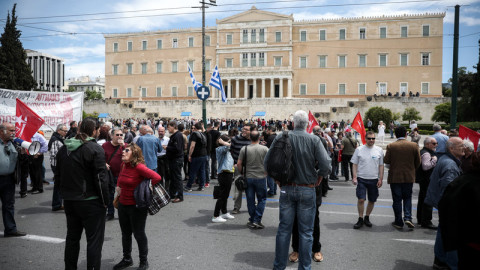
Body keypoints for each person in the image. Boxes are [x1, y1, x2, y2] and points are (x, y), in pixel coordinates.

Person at [267, 110, 331, 270]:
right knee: (306, 233)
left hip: (287, 188)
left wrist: (276, 179)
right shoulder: (314, 140)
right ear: (308, 124)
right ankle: (305, 267)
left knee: (283, 230)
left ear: (293, 123)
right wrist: (320, 176)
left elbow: (267, 161)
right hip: (307, 188)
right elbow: (326, 165)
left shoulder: (281, 137)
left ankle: (279, 266)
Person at [55, 117, 109, 270]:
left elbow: (58, 175)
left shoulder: (64, 148)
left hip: (70, 200)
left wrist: (63, 194)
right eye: (97, 130)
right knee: (94, 241)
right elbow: (100, 179)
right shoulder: (94, 148)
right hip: (90, 201)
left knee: (72, 238)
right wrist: (106, 201)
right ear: (94, 131)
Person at [113, 143, 161, 270]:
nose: (123, 152)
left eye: (126, 151)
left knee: (139, 234)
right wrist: (118, 186)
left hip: (136, 207)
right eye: (123, 150)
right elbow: (120, 177)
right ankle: (127, 259)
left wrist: (145, 187)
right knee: (125, 234)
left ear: (134, 154)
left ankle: (143, 261)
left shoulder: (139, 167)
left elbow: (157, 177)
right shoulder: (124, 165)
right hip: (123, 205)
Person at [289, 125, 328, 264]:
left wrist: (321, 176)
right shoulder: (289, 139)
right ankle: (297, 249)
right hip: (293, 185)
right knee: (295, 219)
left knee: (314, 220)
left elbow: (326, 162)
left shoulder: (318, 141)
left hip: (311, 185)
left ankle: (316, 249)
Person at [425, 137, 464, 270]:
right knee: (451, 235)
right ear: (451, 148)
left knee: (443, 231)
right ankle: (450, 264)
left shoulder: (446, 160)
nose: (464, 147)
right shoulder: (450, 164)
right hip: (448, 206)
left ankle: (440, 260)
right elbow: (449, 189)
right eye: (461, 145)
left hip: (443, 204)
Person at [438, 152, 480, 269]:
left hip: (466, 240)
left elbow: (446, 210)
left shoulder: (461, 182)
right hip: (469, 241)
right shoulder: (463, 182)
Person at [384, 125, 421, 229]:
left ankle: (398, 221)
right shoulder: (414, 145)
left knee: (397, 200)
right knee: (407, 198)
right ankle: (408, 218)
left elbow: (386, 161)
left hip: (395, 177)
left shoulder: (391, 146)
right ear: (406, 134)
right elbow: (418, 162)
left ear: (395, 134)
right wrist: (411, 169)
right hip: (409, 176)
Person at [351, 131, 384, 229]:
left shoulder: (379, 150)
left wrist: (381, 178)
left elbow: (381, 165)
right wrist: (354, 176)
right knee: (361, 199)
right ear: (365, 139)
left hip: (374, 179)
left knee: (372, 200)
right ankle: (360, 218)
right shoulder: (359, 149)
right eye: (369, 138)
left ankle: (367, 217)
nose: (371, 140)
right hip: (361, 179)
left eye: (373, 138)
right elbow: (354, 164)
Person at [237, 130, 269, 229]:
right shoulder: (265, 149)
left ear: (250, 138)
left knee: (250, 199)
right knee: (262, 199)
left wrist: (242, 172)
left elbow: (239, 163)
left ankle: (252, 218)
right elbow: (269, 162)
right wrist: (266, 172)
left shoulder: (244, 149)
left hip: (248, 177)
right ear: (260, 138)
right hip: (260, 177)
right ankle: (256, 219)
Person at [0, 122, 27, 237]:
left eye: (13, 131)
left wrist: (23, 154)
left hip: (9, 179)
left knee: (9, 205)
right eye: (10, 131)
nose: (13, 133)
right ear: (2, 131)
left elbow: (23, 163)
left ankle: (10, 229)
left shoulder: (14, 144)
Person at [103, 127, 127, 221]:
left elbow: (130, 158)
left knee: (122, 195)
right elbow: (100, 157)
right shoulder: (105, 145)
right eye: (117, 135)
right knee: (110, 194)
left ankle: (123, 213)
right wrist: (104, 163)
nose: (119, 136)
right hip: (110, 174)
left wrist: (123, 146)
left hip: (122, 174)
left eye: (121, 135)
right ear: (112, 136)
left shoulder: (125, 146)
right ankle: (110, 213)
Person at [415, 136, 438, 230]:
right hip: (427, 180)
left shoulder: (424, 152)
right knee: (427, 200)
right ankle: (426, 221)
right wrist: (434, 160)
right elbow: (426, 166)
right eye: (434, 143)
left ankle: (421, 219)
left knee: (422, 199)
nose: (436, 145)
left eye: (436, 143)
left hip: (424, 180)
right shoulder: (426, 154)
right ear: (427, 144)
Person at [212, 134, 235, 223]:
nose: (229, 143)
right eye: (228, 141)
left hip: (229, 173)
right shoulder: (220, 149)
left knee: (225, 195)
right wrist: (225, 143)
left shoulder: (227, 149)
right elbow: (229, 146)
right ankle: (215, 215)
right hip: (224, 174)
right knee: (222, 196)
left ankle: (224, 212)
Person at [184, 122, 208, 192]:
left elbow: (192, 146)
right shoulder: (204, 134)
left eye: (194, 128)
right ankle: (201, 186)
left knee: (193, 171)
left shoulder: (195, 134)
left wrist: (190, 155)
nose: (193, 129)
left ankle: (188, 186)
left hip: (196, 155)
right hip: (204, 154)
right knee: (202, 170)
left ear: (196, 128)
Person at [49, 124, 68, 211]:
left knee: (60, 185)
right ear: (59, 131)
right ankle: (57, 204)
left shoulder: (60, 139)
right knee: (58, 185)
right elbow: (54, 154)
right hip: (57, 165)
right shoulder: (55, 140)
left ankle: (58, 203)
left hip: (60, 165)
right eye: (64, 131)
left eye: (66, 131)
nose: (66, 132)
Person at [166, 121, 185, 203]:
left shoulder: (177, 135)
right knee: (173, 178)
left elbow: (177, 149)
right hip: (174, 159)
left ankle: (180, 196)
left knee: (177, 178)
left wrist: (167, 147)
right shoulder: (175, 135)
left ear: (174, 126)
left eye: (169, 127)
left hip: (176, 159)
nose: (168, 129)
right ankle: (172, 194)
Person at [156, 126, 170, 191]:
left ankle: (167, 190)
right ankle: (161, 190)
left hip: (165, 158)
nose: (160, 133)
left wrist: (166, 147)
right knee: (159, 175)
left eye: (162, 131)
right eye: (159, 131)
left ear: (164, 132)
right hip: (158, 159)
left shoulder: (168, 140)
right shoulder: (156, 139)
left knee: (167, 174)